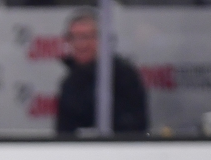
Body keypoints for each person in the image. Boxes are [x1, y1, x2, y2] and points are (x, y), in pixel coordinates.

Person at [55, 7, 146, 135]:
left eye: (86, 37)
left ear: (102, 39)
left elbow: (135, 127)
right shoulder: (69, 83)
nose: (80, 44)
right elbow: (63, 132)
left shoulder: (123, 76)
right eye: (74, 37)